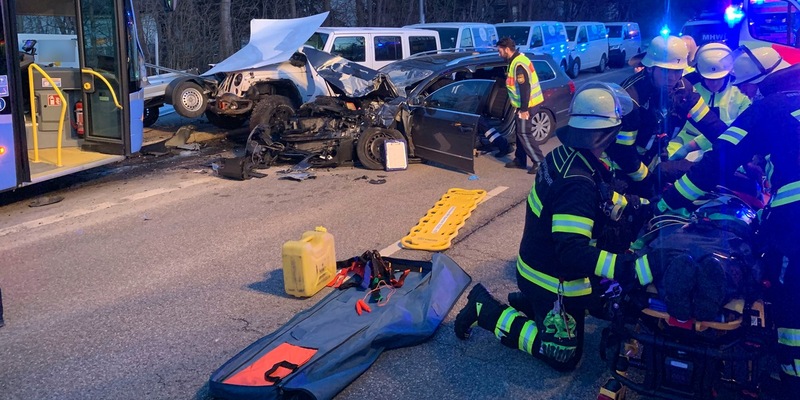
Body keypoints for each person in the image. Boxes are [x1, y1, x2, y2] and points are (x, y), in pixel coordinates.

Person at [453, 83, 651, 371]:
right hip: (550, 279)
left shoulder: (568, 155)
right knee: (563, 355)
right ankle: (487, 310)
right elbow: (573, 252)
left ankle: (532, 304)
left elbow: (599, 197)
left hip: (539, 262)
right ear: (608, 134)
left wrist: (636, 205)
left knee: (607, 301)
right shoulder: (578, 183)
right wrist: (626, 267)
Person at [655, 46, 799, 397]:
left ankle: (792, 385)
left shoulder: (767, 107)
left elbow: (718, 161)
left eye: (748, 86)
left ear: (762, 81)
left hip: (794, 219)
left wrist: (665, 202)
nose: (746, 93)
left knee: (791, 302)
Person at [607, 35, 727, 196]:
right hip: (621, 166)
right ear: (650, 68)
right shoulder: (630, 98)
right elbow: (623, 152)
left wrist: (736, 153)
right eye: (665, 71)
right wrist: (647, 179)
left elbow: (712, 125)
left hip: (653, 155)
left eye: (677, 71)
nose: (672, 78)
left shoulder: (684, 90)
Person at [668, 42, 752, 160]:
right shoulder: (688, 88)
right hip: (684, 139)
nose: (714, 83)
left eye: (719, 78)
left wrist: (691, 146)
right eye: (709, 79)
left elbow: (737, 127)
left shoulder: (742, 92)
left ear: (729, 73)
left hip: (723, 143)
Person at [496, 37, 545, 174]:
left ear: (507, 49)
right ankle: (520, 160)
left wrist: (523, 110)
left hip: (528, 105)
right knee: (520, 132)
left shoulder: (518, 64)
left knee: (524, 133)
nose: (499, 54)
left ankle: (539, 162)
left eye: (500, 51)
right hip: (526, 104)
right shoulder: (517, 60)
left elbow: (525, 88)